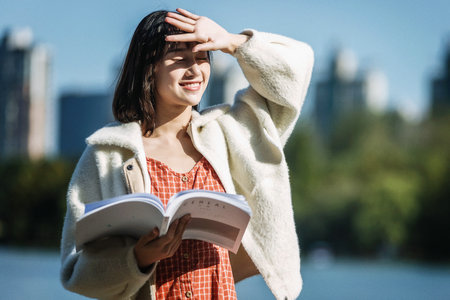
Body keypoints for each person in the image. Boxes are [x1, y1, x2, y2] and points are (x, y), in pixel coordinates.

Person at [60, 7, 314, 300]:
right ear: (149, 66)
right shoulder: (107, 155)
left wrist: (231, 42)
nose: (195, 70)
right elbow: (76, 271)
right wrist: (137, 259)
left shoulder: (232, 133)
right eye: (180, 59)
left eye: (203, 57)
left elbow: (298, 66)